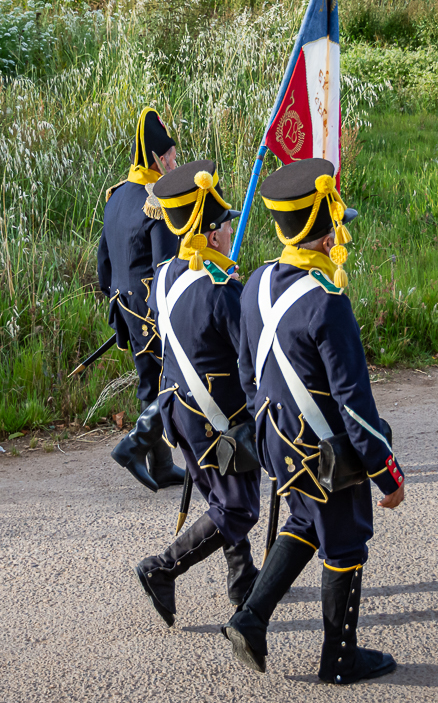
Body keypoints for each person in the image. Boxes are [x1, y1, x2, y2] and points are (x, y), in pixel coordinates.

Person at [223, 157, 406, 686]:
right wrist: (387, 473)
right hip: (324, 450)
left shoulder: (256, 282)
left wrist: (273, 432)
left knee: (305, 521)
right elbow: (354, 403)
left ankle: (250, 619)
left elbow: (246, 371)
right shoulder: (328, 302)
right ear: (327, 238)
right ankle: (340, 660)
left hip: (276, 440)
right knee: (345, 542)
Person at [135, 160, 262, 627]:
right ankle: (162, 568)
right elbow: (250, 357)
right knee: (238, 508)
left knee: (220, 499)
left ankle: (242, 578)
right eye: (225, 224)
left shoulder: (166, 274)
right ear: (211, 234)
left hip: (177, 410)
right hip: (214, 418)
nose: (229, 230)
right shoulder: (222, 288)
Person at [98, 108, 185, 492]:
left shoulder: (116, 195)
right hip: (151, 307)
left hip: (124, 303)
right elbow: (165, 267)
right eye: (171, 158)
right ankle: (133, 446)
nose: (175, 164)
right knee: (175, 381)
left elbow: (103, 259)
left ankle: (161, 465)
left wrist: (113, 295)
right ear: (156, 158)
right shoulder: (157, 201)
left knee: (152, 382)